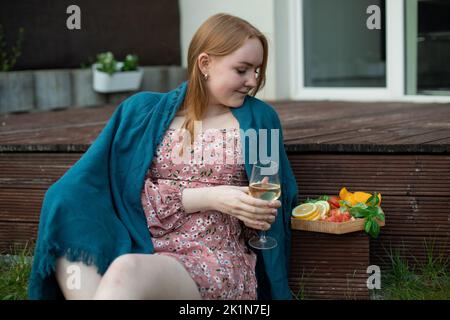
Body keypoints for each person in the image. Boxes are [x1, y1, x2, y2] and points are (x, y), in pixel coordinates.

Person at [28, 13, 298, 300]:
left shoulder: (260, 119)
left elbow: (268, 196)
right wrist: (211, 196)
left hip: (209, 255)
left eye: (257, 71)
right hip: (136, 239)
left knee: (125, 271)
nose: (252, 81)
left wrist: (253, 210)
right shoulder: (144, 112)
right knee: (66, 205)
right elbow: (118, 188)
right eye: (242, 70)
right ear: (205, 64)